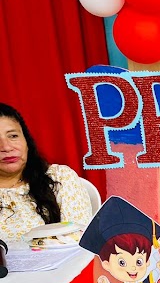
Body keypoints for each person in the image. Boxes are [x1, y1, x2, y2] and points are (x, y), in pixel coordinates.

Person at [0, 103, 92, 242]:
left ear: (27, 141)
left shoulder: (59, 177)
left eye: (13, 136)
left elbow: (78, 239)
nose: (6, 147)